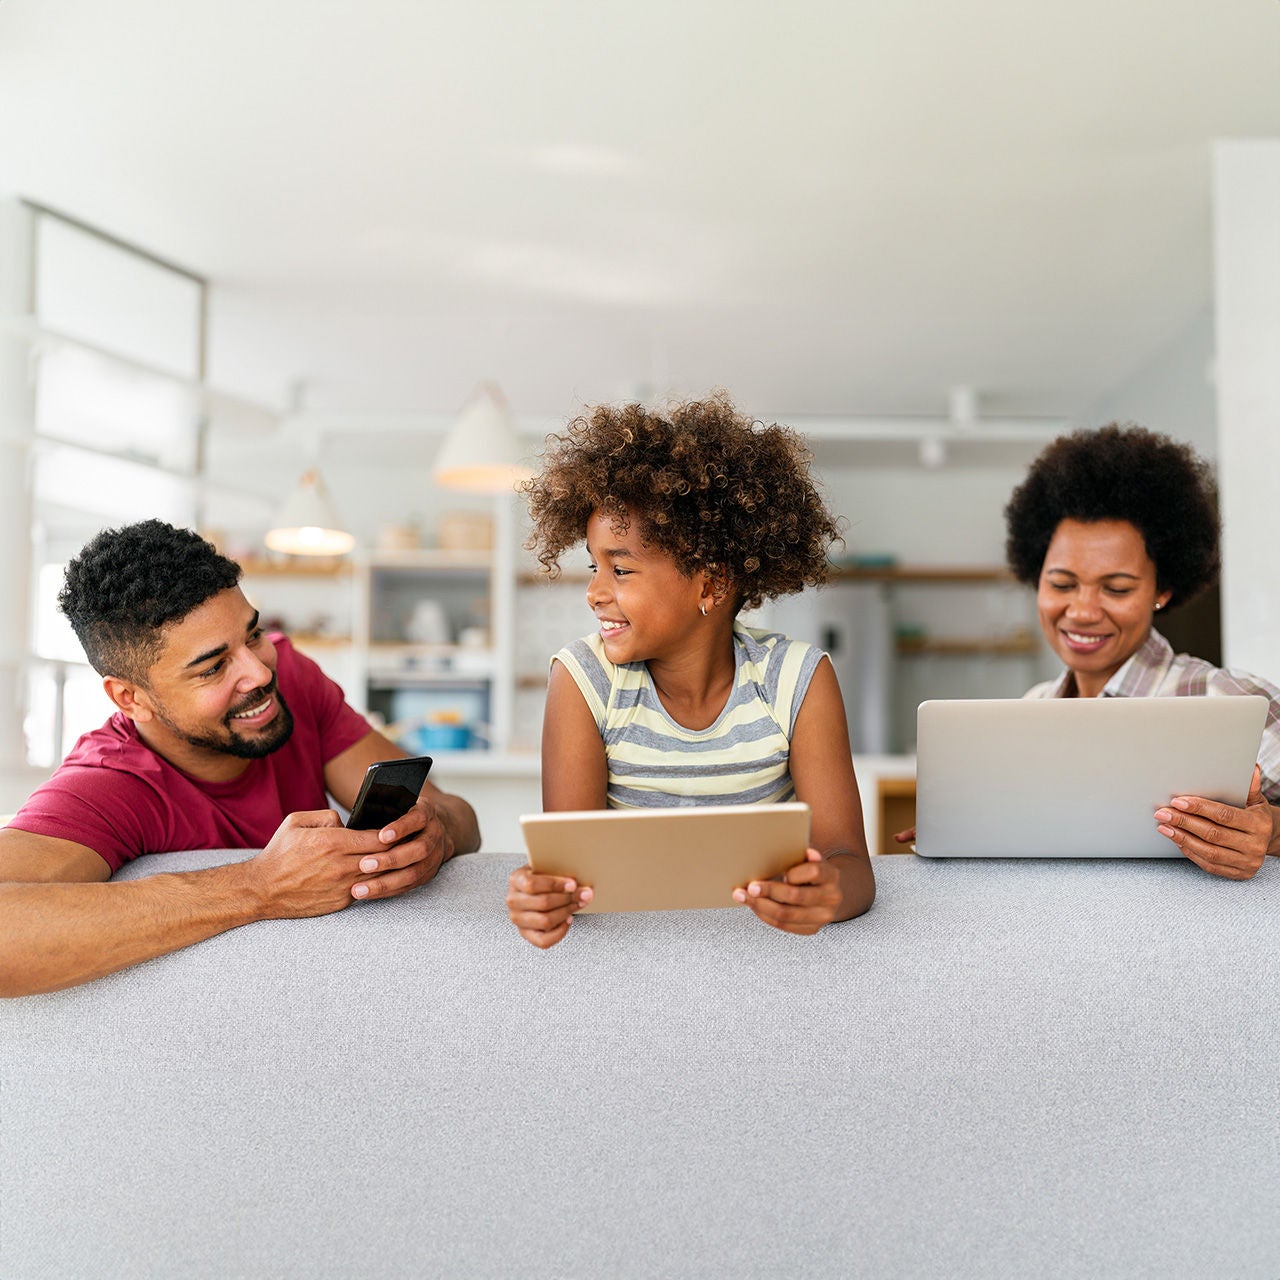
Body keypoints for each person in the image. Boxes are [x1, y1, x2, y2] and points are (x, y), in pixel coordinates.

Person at [0, 520, 481, 996]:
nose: (260, 671)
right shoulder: (108, 783)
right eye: (213, 667)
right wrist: (259, 886)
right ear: (130, 698)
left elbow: (462, 816)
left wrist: (434, 834)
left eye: (253, 635)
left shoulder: (293, 675)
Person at [505, 394, 876, 947]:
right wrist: (544, 897)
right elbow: (568, 871)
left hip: (768, 960)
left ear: (711, 584)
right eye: (594, 564)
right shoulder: (583, 680)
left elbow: (850, 864)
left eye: (621, 568)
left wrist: (825, 892)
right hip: (629, 958)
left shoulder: (797, 678)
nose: (594, 592)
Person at [895, 423, 1280, 878]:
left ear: (1164, 589)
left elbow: (1268, 825)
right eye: (1061, 584)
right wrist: (967, 829)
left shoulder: (1229, 698)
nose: (1081, 611)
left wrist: (1269, 829)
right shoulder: (1031, 708)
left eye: (1116, 588)